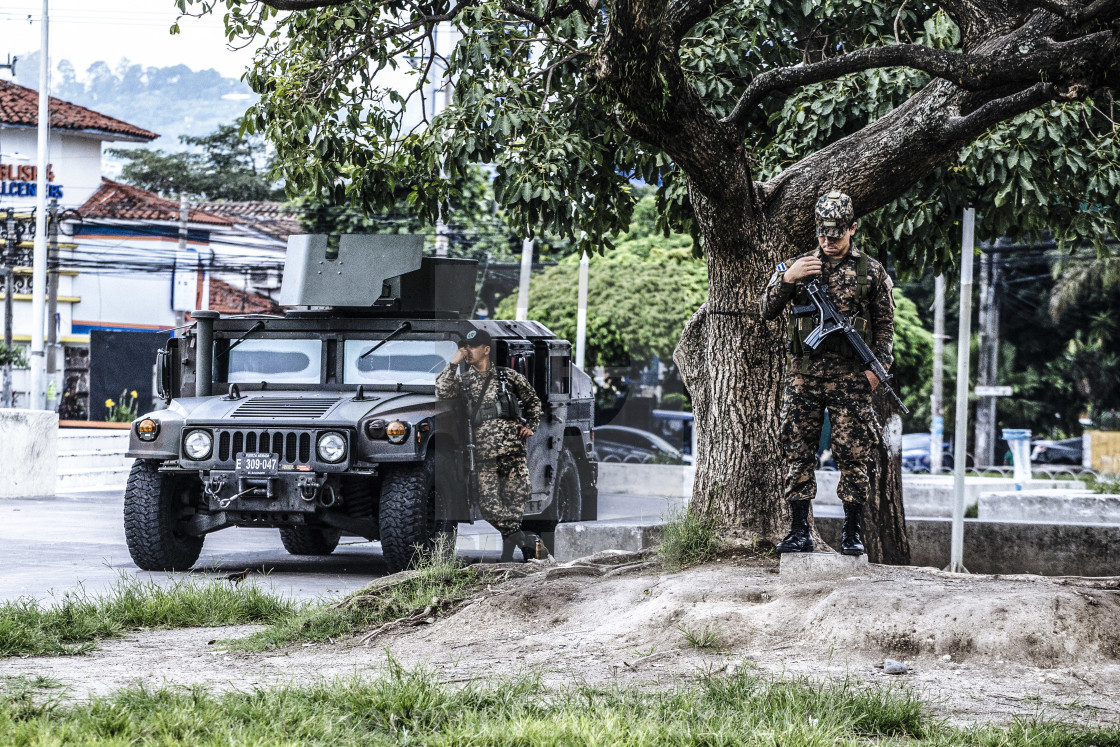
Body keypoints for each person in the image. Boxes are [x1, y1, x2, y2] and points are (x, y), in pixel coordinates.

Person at [758, 190, 896, 556]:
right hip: (803, 377)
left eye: (835, 235)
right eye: (821, 234)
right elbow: (764, 310)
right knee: (797, 449)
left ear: (852, 228)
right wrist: (787, 278)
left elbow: (884, 329)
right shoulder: (799, 266)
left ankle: (852, 532)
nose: (827, 241)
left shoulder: (871, 272)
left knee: (854, 453)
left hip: (851, 379)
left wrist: (877, 372)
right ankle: (799, 529)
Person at [435, 329, 543, 562]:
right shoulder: (464, 382)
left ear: (486, 349)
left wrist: (531, 425)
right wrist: (453, 363)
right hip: (485, 458)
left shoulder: (508, 377)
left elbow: (533, 400)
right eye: (465, 348)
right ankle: (528, 543)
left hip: (514, 454)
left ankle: (510, 560)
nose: (468, 352)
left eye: (472, 347)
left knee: (514, 509)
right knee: (489, 507)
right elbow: (442, 391)